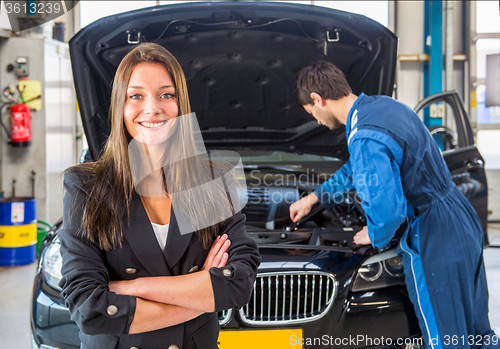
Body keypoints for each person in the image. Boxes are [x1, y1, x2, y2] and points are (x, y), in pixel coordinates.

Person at [58, 42, 261, 349]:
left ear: (181, 104)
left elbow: (238, 284)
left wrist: (134, 287)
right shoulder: (86, 188)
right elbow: (90, 307)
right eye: (136, 96)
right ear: (120, 107)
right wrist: (201, 292)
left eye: (166, 94)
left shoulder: (211, 181)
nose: (152, 108)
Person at [290, 61, 497, 349]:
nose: (316, 121)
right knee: (477, 331)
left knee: (446, 336)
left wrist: (373, 233)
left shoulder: (363, 135)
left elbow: (388, 215)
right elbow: (355, 169)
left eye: (311, 113)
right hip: (460, 216)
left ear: (317, 99)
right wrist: (314, 198)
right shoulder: (382, 107)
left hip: (434, 233)